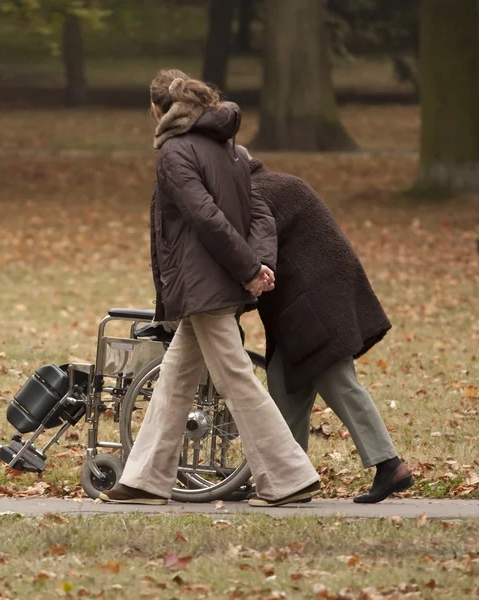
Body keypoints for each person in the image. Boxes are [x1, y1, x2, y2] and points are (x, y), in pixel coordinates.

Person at [99, 69, 321, 507]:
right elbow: (261, 213)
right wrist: (258, 265)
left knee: (237, 379)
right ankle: (145, 479)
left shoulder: (174, 153)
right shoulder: (233, 151)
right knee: (175, 381)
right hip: (217, 283)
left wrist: (248, 269)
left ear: (157, 109)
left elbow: (205, 218)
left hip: (203, 285)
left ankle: (289, 477)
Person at [238, 146, 413, 504]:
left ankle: (389, 464)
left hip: (315, 301)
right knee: (286, 382)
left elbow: (251, 254)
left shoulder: (258, 194)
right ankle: (291, 476)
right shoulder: (277, 185)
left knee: (336, 379)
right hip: (308, 299)